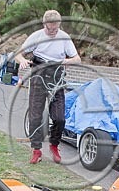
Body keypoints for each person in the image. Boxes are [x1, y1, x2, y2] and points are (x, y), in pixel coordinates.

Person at [14, 9, 81, 164]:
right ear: (44, 24)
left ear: (59, 25)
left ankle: (54, 145)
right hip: (38, 74)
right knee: (35, 115)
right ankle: (36, 150)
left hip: (57, 76)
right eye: (49, 28)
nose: (52, 31)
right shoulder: (36, 36)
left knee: (59, 117)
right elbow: (17, 54)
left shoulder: (64, 37)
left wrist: (66, 61)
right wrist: (21, 60)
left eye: (55, 28)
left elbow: (77, 59)